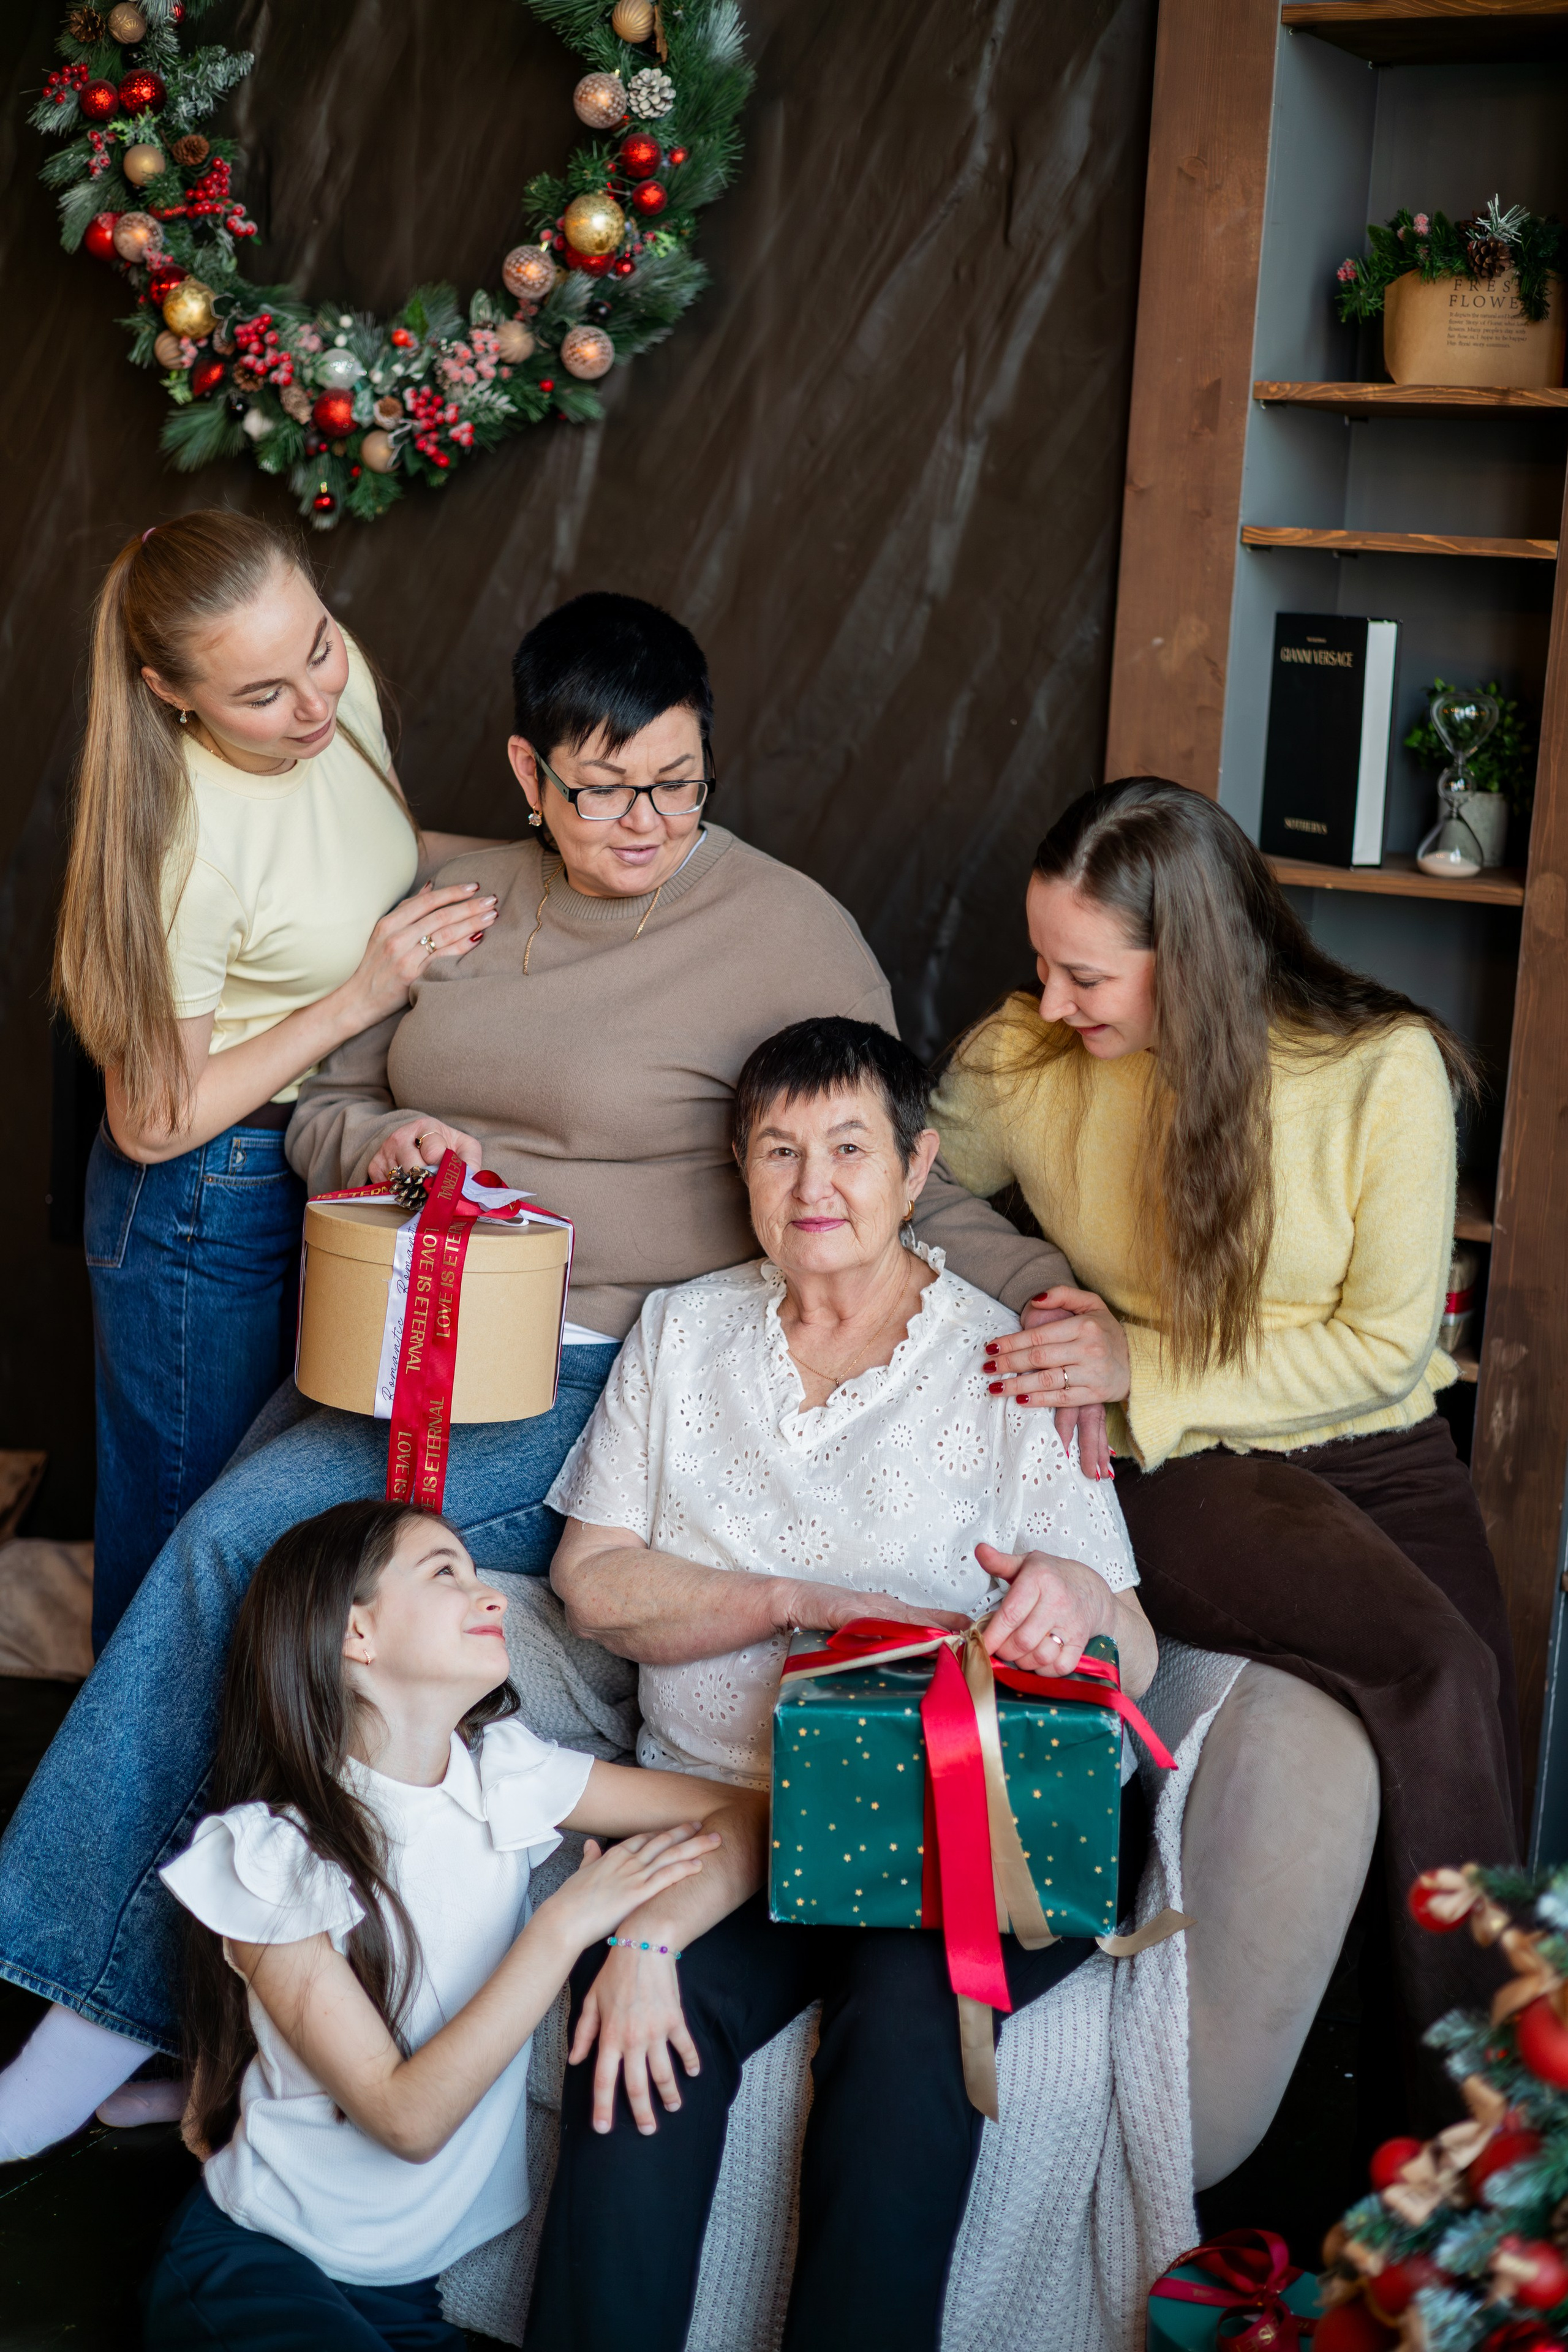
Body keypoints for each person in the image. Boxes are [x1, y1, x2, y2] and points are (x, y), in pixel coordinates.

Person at [0, 594, 1118, 2160]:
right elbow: (327, 1100)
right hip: (405, 1345)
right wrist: (388, 1142)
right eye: (602, 789)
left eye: (678, 782)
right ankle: (210, 2018)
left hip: (593, 1380)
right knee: (237, 1574)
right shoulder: (454, 895)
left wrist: (1058, 1301)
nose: (646, 820)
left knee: (248, 1553)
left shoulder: (785, 932)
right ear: (528, 775)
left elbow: (884, 1169)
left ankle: (72, 2028)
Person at [525, 1018, 1154, 2352]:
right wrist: (795, 1603)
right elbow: (592, 1583)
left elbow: (1135, 1650)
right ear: (741, 1170)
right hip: (723, 1814)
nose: (814, 1185)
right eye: (779, 1152)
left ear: (916, 1167)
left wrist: (1081, 1602)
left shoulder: (1003, 1362)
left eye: (850, 1149)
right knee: (638, 2026)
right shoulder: (683, 1334)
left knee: (909, 2033)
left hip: (940, 1828)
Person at [929, 776, 1519, 2079]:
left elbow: (1382, 1348)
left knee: (1481, 1703)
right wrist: (1046, 1290)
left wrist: (1139, 1355)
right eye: (1042, 963)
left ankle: (1458, 2129)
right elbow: (903, 1182)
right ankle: (1479, 2138)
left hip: (1382, 1451)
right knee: (1431, 1672)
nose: (1048, 1000)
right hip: (1183, 1457)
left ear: (1188, 961)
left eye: (1084, 975)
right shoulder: (1026, 1058)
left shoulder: (1381, 1067)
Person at [145, 1496, 762, 2351]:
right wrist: (566, 1925)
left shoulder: (505, 1775)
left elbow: (751, 1815)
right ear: (357, 1634)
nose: (493, 1594)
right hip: (261, 2266)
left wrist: (651, 1937)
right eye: (445, 1573)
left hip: (409, 2300)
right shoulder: (276, 1858)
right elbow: (407, 2121)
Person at [55, 510, 497, 1651]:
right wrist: (362, 994)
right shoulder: (186, 846)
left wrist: (558, 866)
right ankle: (137, 1780)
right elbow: (151, 1121)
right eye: (262, 693)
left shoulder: (333, 696)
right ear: (169, 693)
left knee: (295, 1537)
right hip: (205, 1195)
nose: (312, 703)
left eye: (319, 647)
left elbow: (373, 853)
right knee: (183, 1554)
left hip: (327, 1148)